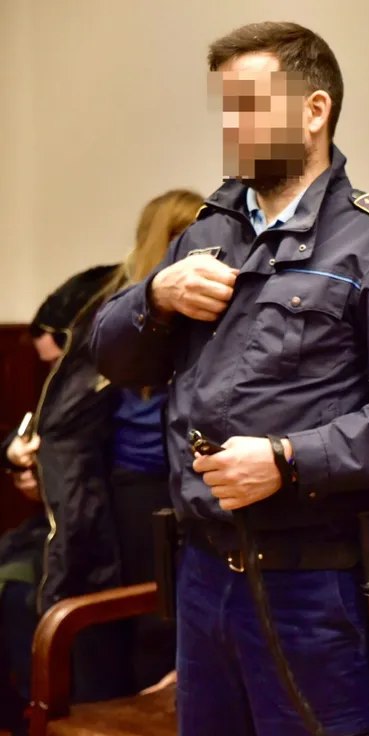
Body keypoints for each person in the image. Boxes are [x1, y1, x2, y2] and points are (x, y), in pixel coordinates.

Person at [91, 21, 369, 736]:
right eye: (225, 107)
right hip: (205, 573)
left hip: (315, 584)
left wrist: (290, 461)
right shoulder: (208, 232)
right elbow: (111, 357)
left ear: (314, 110)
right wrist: (154, 297)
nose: (231, 126)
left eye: (249, 106)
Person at [0, 264, 126, 736]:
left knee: (22, 594)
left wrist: (45, 474)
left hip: (101, 530)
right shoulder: (70, 385)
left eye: (55, 362)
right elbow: (40, 436)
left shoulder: (108, 376)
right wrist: (16, 458)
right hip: (61, 524)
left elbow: (78, 468)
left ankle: (44, 731)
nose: (52, 373)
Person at [101, 188, 206, 692]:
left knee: (189, 611)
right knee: (151, 614)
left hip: (192, 479)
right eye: (183, 236)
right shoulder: (125, 312)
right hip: (139, 482)